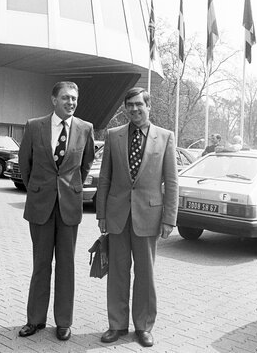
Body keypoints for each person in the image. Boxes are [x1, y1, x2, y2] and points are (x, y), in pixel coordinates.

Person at [96, 87, 179, 348]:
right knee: (118, 273)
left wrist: (169, 218)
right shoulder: (113, 136)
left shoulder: (165, 137)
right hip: (118, 215)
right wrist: (101, 214)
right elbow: (106, 177)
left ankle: (143, 326)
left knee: (145, 274)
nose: (134, 109)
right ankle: (117, 325)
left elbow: (171, 181)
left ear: (148, 106)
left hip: (149, 217)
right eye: (129, 105)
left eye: (138, 105)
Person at [18, 81, 95, 341]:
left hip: (68, 208)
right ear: (53, 100)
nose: (70, 102)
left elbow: (85, 166)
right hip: (40, 207)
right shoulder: (33, 126)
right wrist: (39, 190)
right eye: (65, 98)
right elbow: (24, 165)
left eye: (74, 98)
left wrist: (69, 189)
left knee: (66, 266)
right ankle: (35, 320)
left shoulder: (86, 129)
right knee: (41, 265)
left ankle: (63, 322)